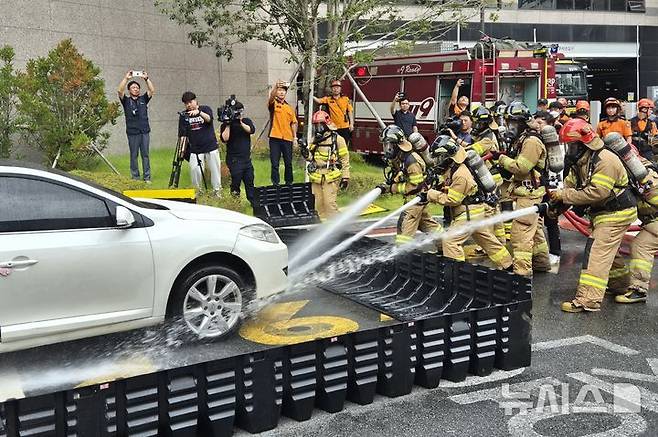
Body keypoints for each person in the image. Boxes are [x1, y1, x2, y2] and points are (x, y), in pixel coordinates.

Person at [549, 119, 638, 312]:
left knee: (596, 251)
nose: (569, 149)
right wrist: (555, 206)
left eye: (572, 145)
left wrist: (564, 195)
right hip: (603, 213)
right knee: (608, 251)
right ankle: (620, 285)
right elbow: (570, 186)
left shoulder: (605, 160)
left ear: (584, 143)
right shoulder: (581, 160)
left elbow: (597, 192)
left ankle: (588, 299)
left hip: (616, 212)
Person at [423, 139, 512, 269]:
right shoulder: (455, 169)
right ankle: (508, 265)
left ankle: (457, 273)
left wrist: (430, 194)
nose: (437, 161)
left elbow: (453, 200)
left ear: (448, 157)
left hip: (468, 214)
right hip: (474, 211)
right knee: (486, 240)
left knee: (450, 241)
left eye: (439, 157)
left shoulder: (461, 174)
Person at [491, 102, 550, 276]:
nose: (510, 126)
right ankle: (541, 263)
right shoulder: (523, 138)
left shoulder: (531, 141)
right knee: (535, 230)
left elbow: (522, 167)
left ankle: (522, 274)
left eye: (513, 123)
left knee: (520, 234)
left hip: (530, 193)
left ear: (523, 122)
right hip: (528, 192)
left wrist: (501, 159)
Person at [376, 125, 440, 245]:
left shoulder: (411, 161)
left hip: (415, 200)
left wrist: (392, 188)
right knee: (427, 225)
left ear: (396, 145)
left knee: (403, 231)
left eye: (388, 145)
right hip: (416, 200)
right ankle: (444, 242)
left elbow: (415, 186)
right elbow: (399, 175)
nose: (386, 148)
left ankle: (401, 254)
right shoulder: (401, 156)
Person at [614, 159, 658, 304]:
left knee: (641, 246)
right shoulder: (631, 178)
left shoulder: (648, 176)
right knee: (641, 245)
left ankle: (639, 289)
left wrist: (645, 190)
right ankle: (634, 288)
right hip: (652, 223)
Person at [303, 110, 350, 219]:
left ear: (326, 124)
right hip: (317, 176)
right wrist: (304, 151)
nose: (318, 128)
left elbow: (344, 159)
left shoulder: (337, 139)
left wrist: (345, 177)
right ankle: (322, 228)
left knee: (329, 204)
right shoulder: (315, 140)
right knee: (318, 205)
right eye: (316, 125)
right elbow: (311, 158)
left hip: (330, 176)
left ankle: (336, 227)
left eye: (320, 124)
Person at [179, 91, 221, 196]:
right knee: (195, 170)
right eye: (186, 103)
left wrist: (199, 113)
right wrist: (181, 149)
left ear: (195, 100)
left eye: (190, 102)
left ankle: (217, 191)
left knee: (215, 170)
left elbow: (209, 119)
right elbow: (182, 134)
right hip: (195, 149)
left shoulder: (205, 109)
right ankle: (198, 192)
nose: (189, 105)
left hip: (210, 146)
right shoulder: (184, 116)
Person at [534, 110, 562, 267]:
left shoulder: (554, 142)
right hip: (540, 185)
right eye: (536, 122)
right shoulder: (536, 140)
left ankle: (555, 253)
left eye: (541, 123)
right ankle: (540, 254)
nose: (538, 126)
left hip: (551, 186)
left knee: (551, 220)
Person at [117, 71, 155, 183]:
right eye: (133, 87)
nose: (136, 89)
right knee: (134, 155)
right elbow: (119, 91)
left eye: (137, 87)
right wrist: (126, 78)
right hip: (132, 132)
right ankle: (135, 177)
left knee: (145, 155)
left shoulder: (143, 99)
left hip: (144, 131)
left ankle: (147, 177)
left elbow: (152, 90)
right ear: (129, 90)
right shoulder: (126, 101)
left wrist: (146, 79)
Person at [220, 100, 256, 206]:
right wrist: (228, 124)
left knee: (250, 181)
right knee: (236, 182)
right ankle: (235, 203)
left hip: (246, 159)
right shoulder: (226, 125)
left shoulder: (246, 121)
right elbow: (225, 138)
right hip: (234, 159)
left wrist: (240, 122)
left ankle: (253, 203)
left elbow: (251, 130)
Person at [268, 80, 298, 186]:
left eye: (283, 91)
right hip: (275, 137)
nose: (281, 92)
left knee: (288, 163)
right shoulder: (273, 104)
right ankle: (275, 183)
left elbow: (293, 123)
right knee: (275, 163)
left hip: (287, 139)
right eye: (279, 90)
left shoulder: (289, 108)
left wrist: (295, 138)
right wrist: (275, 87)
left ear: (286, 93)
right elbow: (271, 98)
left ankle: (289, 183)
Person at [313, 80, 354, 146]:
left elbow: (350, 111)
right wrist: (311, 95)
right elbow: (318, 101)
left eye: (337, 87)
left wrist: (351, 124)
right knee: (334, 145)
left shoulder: (345, 99)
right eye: (334, 87)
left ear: (340, 89)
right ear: (331, 89)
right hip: (333, 127)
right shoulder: (328, 99)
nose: (336, 89)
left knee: (344, 146)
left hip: (345, 127)